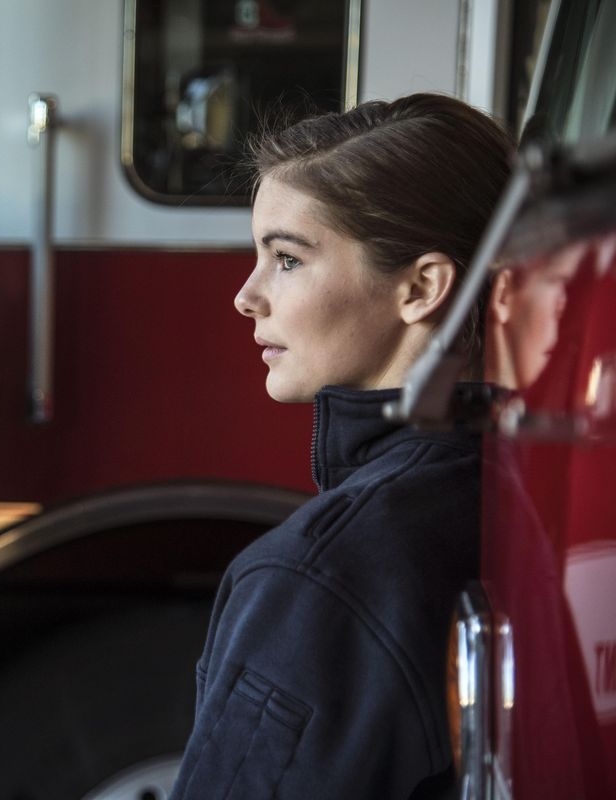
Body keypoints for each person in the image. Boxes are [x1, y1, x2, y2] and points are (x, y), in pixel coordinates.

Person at [169, 94, 514, 800]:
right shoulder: (516, 485)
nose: (247, 296)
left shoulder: (316, 579)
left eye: (287, 259)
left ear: (420, 287)